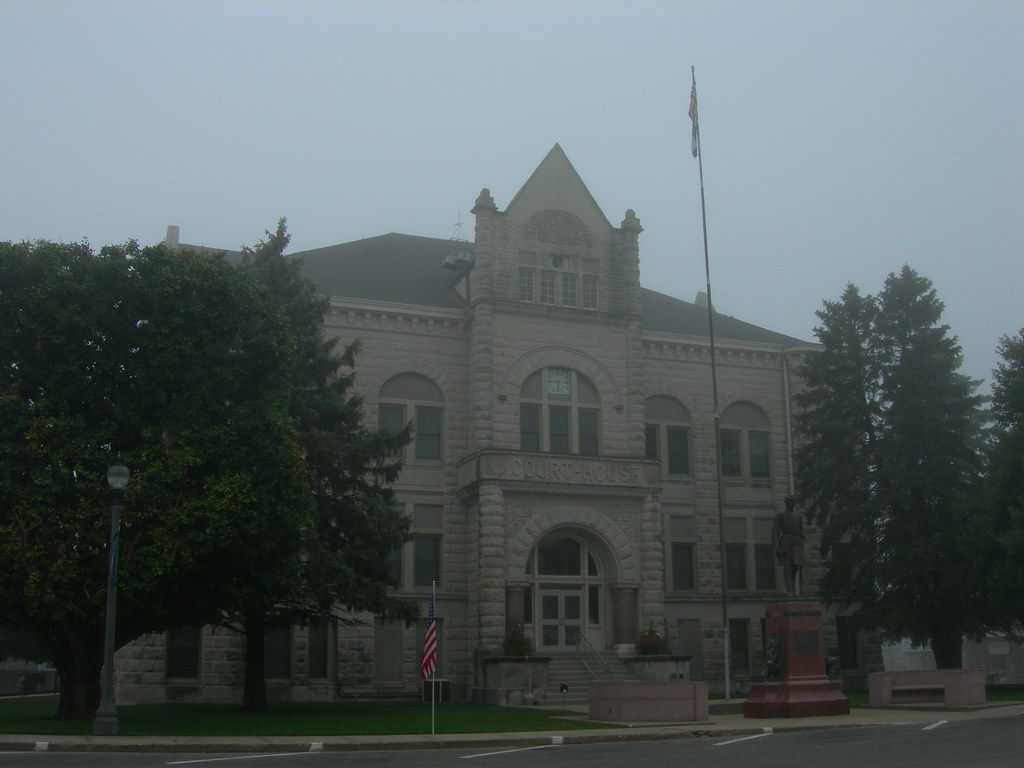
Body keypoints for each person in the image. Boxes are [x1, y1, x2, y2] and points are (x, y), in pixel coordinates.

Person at [772, 495, 805, 597]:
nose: (793, 503)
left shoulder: (798, 515)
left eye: (794, 501)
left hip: (797, 542)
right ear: (786, 502)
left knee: (795, 566)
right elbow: (775, 532)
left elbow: (801, 528)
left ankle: (793, 589)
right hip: (786, 542)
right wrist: (777, 547)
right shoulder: (780, 515)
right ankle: (790, 590)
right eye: (791, 501)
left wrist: (802, 534)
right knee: (787, 567)